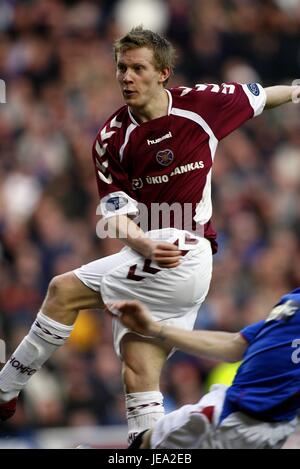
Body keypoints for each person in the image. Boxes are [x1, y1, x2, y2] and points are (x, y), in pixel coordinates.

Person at [0, 26, 299, 442]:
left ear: (163, 73)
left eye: (138, 68)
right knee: (138, 371)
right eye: (121, 68)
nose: (126, 77)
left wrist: (297, 91)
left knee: (61, 291)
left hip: (187, 251)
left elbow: (266, 96)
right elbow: (115, 214)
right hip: (155, 253)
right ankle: (147, 447)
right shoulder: (110, 138)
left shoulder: (202, 105)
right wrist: (141, 242)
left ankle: (5, 389)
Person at [107, 288, 300, 449]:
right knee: (150, 441)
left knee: (150, 443)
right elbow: (235, 345)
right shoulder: (293, 303)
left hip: (243, 421)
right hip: (234, 413)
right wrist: (155, 329)